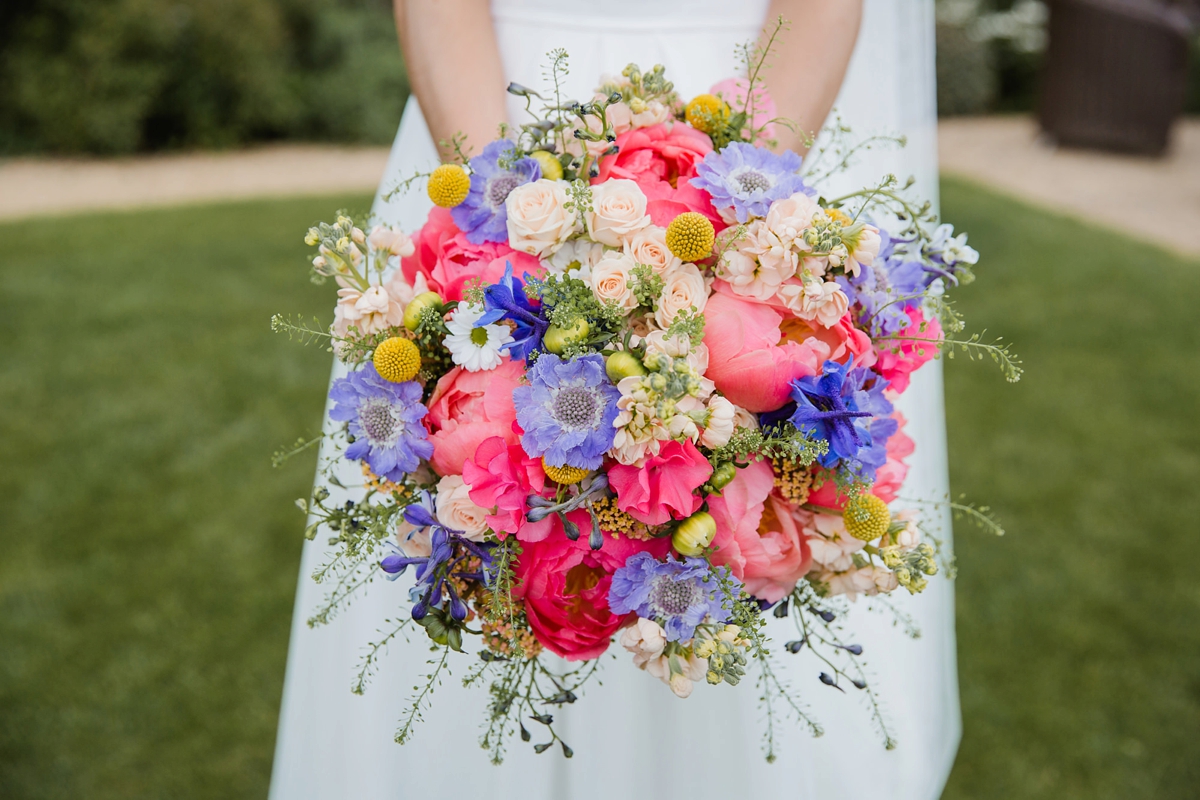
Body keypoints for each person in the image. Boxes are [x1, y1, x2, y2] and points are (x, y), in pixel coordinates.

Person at [270, 1, 959, 798]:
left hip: (764, 126)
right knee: (476, 498)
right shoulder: (495, 184)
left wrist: (740, 225)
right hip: (497, 115)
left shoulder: (747, 205)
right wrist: (501, 216)